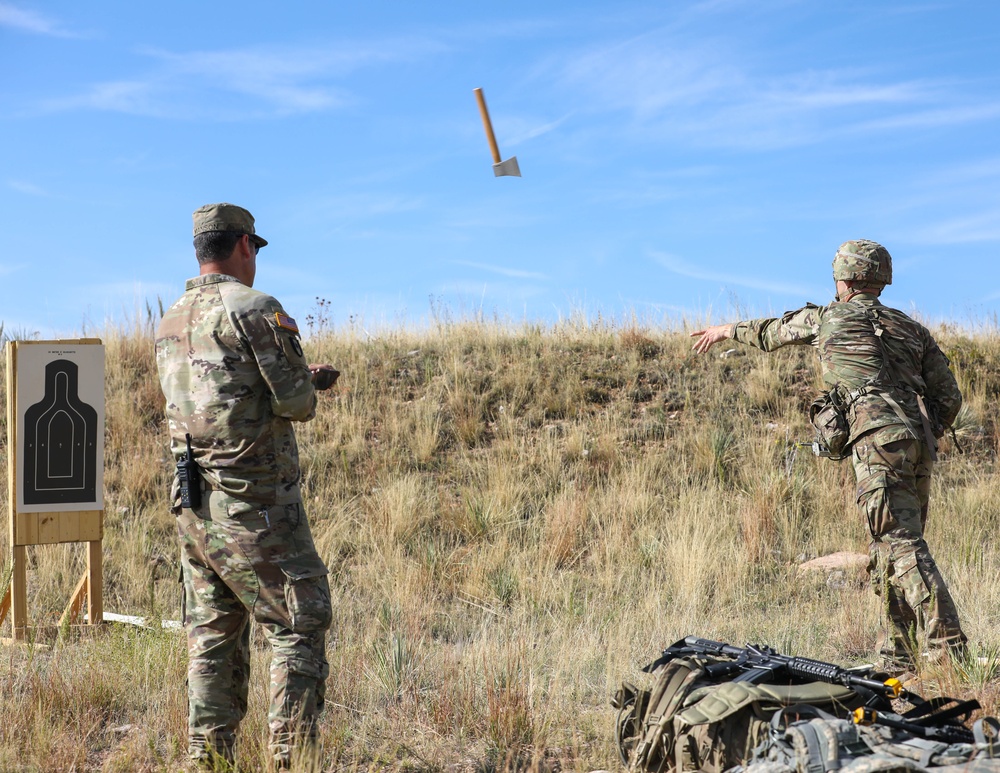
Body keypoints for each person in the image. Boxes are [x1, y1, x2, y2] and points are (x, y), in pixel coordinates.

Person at [690, 239, 967, 672]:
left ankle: (949, 646)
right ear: (879, 278)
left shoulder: (827, 317)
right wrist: (925, 430)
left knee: (899, 541)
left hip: (876, 438)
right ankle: (900, 653)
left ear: (845, 278)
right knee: (889, 546)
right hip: (919, 441)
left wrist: (725, 330)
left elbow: (770, 333)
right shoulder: (914, 329)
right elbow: (949, 398)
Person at [155, 203, 339, 770]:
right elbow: (296, 404)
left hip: (194, 505)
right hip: (256, 506)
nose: (256, 258)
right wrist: (308, 386)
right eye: (255, 248)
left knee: (211, 638)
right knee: (299, 623)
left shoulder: (170, 320)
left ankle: (205, 760)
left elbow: (214, 399)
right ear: (240, 245)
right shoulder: (257, 308)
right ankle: (290, 762)